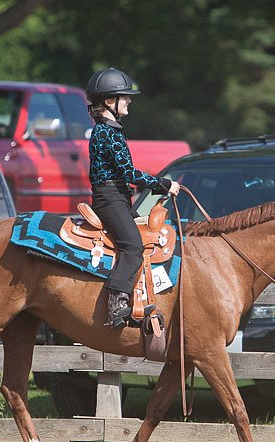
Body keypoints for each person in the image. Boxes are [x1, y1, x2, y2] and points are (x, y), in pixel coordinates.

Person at [85, 67, 180, 328]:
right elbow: (128, 172)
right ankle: (117, 306)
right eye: (124, 97)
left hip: (118, 197)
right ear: (108, 101)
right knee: (133, 246)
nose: (129, 101)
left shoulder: (110, 130)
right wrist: (163, 183)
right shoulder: (107, 132)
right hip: (110, 198)